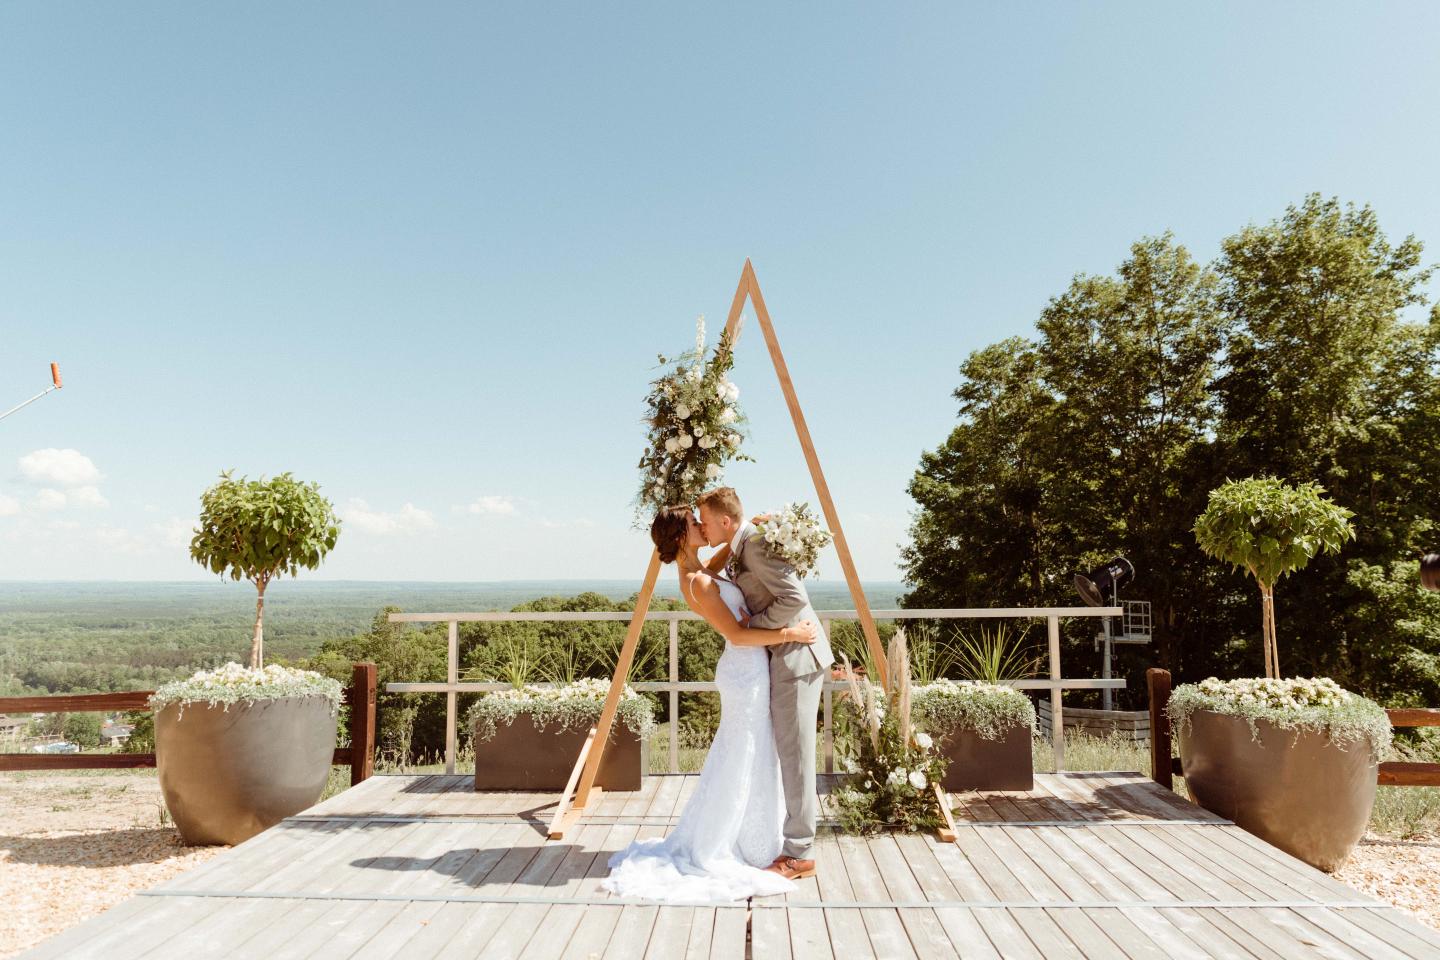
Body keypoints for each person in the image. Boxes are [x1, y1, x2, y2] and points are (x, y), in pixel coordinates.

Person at [601, 505, 819, 901]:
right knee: (743, 752)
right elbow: (737, 635)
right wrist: (792, 632)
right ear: (682, 536)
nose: (702, 525)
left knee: (751, 752)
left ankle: (753, 836)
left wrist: (755, 524)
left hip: (753, 669)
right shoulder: (696, 582)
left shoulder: (701, 569)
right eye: (693, 523)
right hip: (744, 671)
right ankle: (732, 840)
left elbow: (730, 547)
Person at [696, 487, 834, 882]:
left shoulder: (754, 545)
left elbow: (793, 597)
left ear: (725, 521)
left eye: (706, 520)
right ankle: (794, 843)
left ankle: (800, 854)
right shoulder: (745, 544)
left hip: (796, 658)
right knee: (790, 754)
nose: (703, 528)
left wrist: (750, 628)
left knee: (796, 756)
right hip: (784, 657)